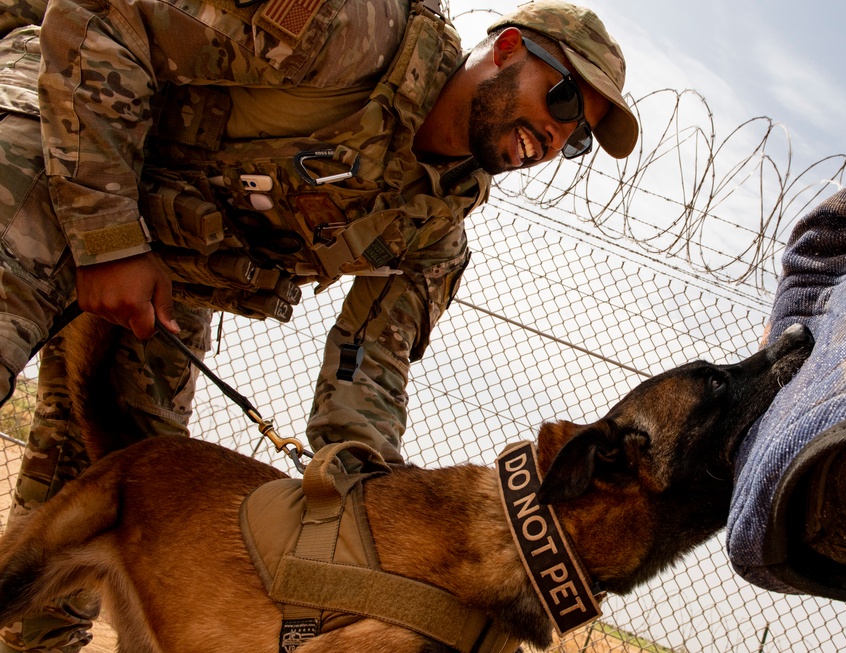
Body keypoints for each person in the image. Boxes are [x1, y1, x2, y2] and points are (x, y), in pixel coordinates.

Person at [0, 0, 640, 650]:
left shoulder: (434, 226)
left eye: (578, 137)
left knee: (120, 488)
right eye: (563, 99)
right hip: (56, 127)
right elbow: (100, 16)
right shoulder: (354, 30)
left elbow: (369, 370)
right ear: (506, 48)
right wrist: (109, 238)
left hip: (159, 266)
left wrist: (367, 495)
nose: (560, 138)